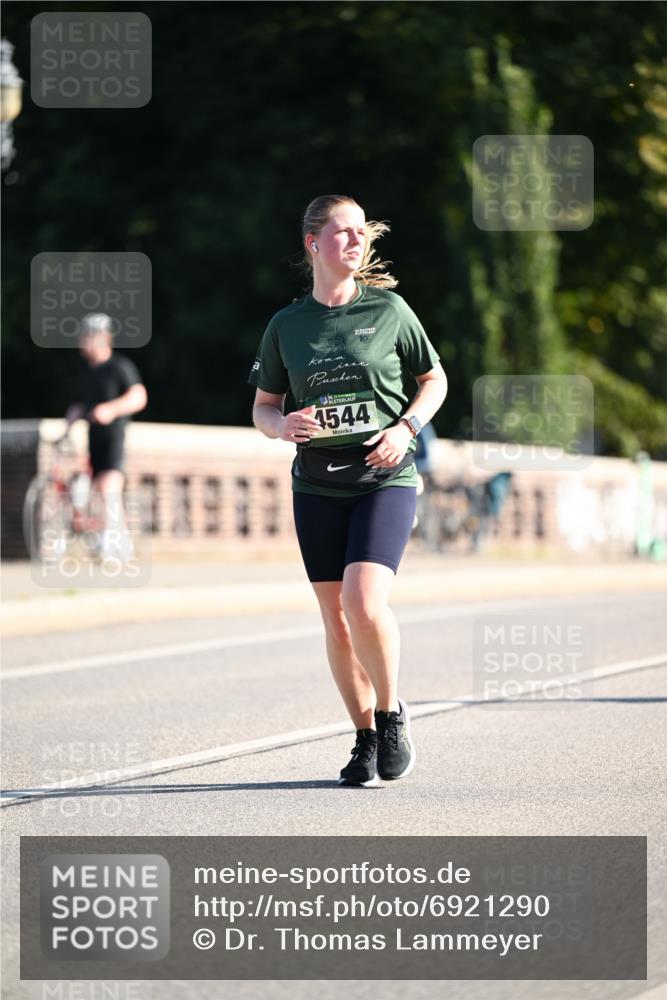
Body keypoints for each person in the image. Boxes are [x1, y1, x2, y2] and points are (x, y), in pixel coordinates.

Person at [248, 194, 447, 786]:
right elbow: (263, 406)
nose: (356, 242)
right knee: (335, 619)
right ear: (314, 244)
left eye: (362, 232)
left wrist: (406, 427)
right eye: (343, 233)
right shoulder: (286, 325)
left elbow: (433, 380)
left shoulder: (389, 311)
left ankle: (390, 714)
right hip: (316, 484)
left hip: (384, 477)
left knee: (364, 602)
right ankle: (362, 738)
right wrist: (281, 426)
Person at [63, 313, 147, 558]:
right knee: (99, 490)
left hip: (113, 436)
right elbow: (79, 404)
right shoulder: (85, 371)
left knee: (110, 486)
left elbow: (139, 396)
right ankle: (119, 541)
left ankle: (112, 543)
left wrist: (110, 409)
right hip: (94, 438)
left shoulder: (119, 367)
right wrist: (68, 425)